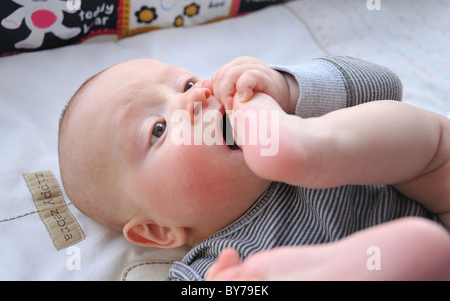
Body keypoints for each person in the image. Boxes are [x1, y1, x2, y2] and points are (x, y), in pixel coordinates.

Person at [58, 56, 450, 281]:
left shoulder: (283, 106)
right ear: (158, 230)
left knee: (430, 139)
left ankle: (315, 148)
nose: (198, 96)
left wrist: (288, 89)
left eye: (185, 84)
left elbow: (384, 86)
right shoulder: (214, 271)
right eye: (158, 129)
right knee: (419, 251)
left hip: (437, 201)